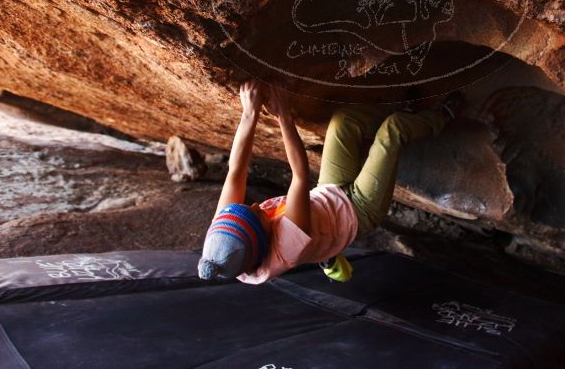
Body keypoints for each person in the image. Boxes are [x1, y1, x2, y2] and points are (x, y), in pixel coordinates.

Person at [197, 79, 464, 284]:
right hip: (359, 210)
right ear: (265, 239)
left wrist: (249, 113)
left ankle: (408, 112)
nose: (255, 205)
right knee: (393, 132)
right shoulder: (284, 249)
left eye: (246, 207)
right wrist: (284, 116)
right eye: (256, 215)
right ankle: (440, 118)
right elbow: (300, 175)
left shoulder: (225, 237)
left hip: (328, 195)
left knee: (343, 122)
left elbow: (236, 171)